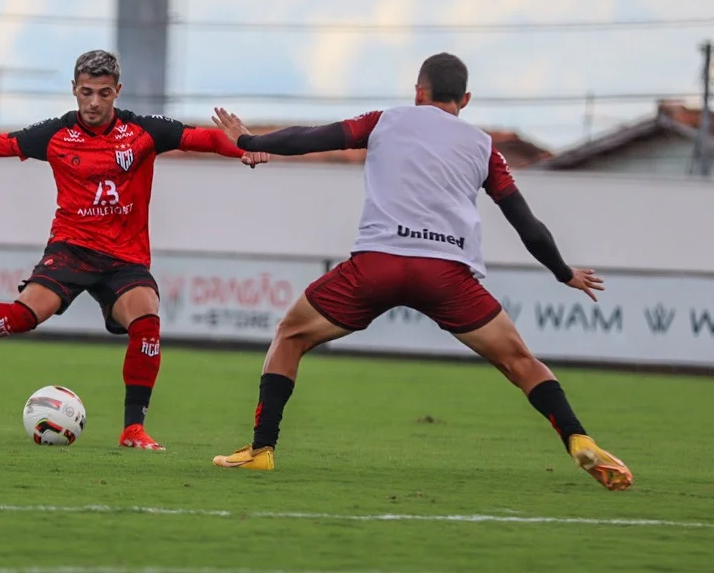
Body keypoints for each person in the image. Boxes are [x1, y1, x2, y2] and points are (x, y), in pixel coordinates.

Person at [209, 52, 633, 491]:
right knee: (520, 361)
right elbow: (528, 226)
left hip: (378, 265)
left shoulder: (384, 121)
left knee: (290, 336)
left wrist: (248, 141)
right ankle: (578, 437)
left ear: (418, 91)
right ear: (465, 99)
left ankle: (261, 450)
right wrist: (563, 272)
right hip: (447, 274)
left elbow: (311, 138)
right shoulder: (484, 148)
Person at [0, 49, 268, 451]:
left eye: (104, 93)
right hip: (71, 248)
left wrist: (243, 145)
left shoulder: (143, 132)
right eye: (86, 92)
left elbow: (204, 138)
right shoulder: (55, 134)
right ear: (74, 90)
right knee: (22, 316)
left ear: (117, 91)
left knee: (146, 317)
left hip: (125, 258)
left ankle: (133, 430)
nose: (94, 102)